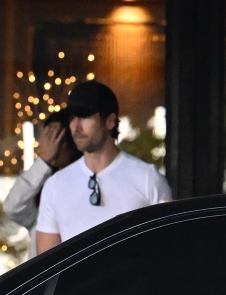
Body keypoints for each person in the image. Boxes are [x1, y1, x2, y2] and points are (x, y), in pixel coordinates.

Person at [35, 81, 172, 254]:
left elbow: (166, 250)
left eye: (85, 117)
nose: (76, 127)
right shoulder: (55, 185)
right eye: (72, 118)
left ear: (110, 121)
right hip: (78, 282)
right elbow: (48, 267)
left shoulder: (147, 178)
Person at [2, 110, 82, 258]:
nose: (53, 145)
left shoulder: (87, 185)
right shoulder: (42, 186)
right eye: (47, 137)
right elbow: (12, 207)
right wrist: (43, 161)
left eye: (58, 137)